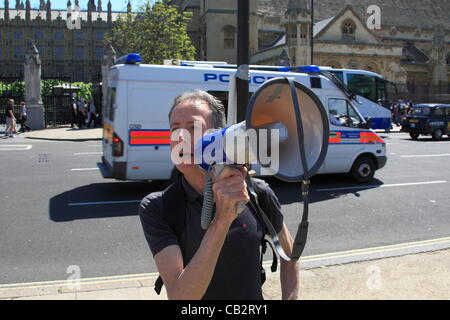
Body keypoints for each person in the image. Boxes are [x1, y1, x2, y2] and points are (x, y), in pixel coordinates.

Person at [139, 90, 299, 300]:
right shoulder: (159, 207)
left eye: (193, 128)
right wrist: (222, 220)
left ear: (218, 135)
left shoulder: (257, 192)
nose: (181, 138)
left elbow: (290, 255)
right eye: (175, 129)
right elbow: (181, 297)